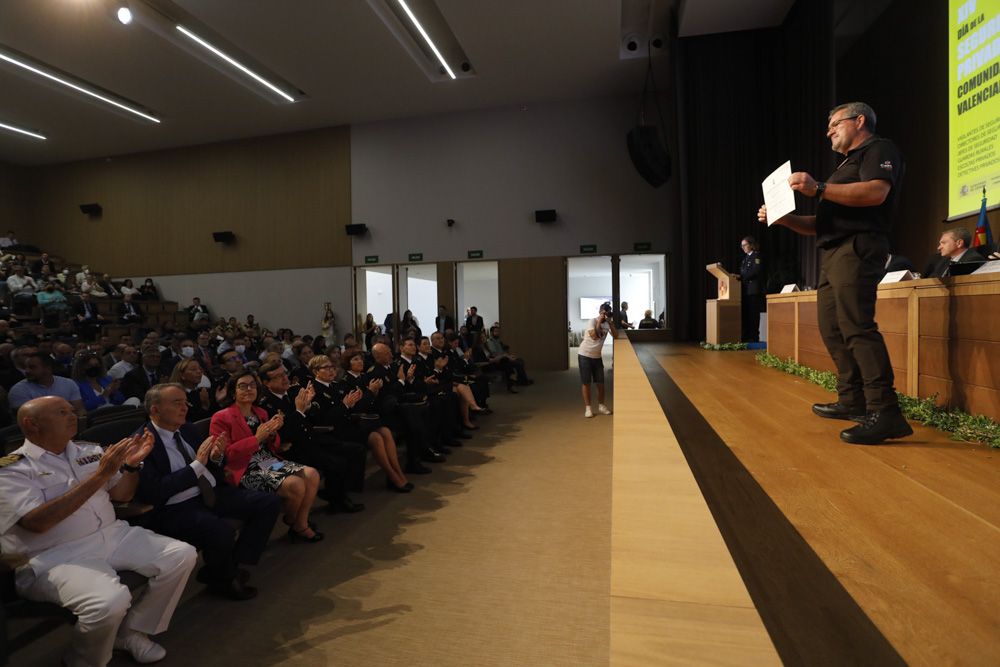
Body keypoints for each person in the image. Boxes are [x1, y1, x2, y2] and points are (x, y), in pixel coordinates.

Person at [757, 101, 912, 445]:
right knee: (832, 328)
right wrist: (784, 219)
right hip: (833, 251)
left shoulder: (878, 149)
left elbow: (876, 192)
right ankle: (852, 399)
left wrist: (820, 189)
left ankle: (885, 411)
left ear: (859, 121)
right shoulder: (844, 166)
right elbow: (819, 224)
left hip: (858, 247)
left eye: (834, 124)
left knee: (857, 327)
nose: (828, 131)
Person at [0, 397, 197, 666]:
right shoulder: (11, 469)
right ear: (31, 424)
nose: (73, 416)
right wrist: (100, 476)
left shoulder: (87, 451)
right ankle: (84, 661)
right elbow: (37, 523)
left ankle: (131, 632)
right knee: (109, 602)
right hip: (54, 556)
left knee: (181, 555)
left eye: (72, 410)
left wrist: (130, 466)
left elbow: (122, 494)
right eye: (61, 413)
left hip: (111, 534)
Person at [138, 384, 281, 600]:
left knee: (267, 502)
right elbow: (156, 491)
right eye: (176, 402)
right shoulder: (142, 442)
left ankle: (229, 566)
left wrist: (215, 456)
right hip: (175, 506)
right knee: (219, 530)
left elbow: (212, 467)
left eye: (185, 402)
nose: (184, 407)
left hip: (210, 491)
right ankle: (224, 580)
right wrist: (197, 465)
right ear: (155, 410)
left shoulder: (187, 429)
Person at [210, 371, 324, 542]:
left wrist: (272, 434)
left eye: (252, 385)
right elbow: (226, 454)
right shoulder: (222, 417)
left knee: (312, 474)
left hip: (269, 462)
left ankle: (299, 523)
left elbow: (274, 445)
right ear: (233, 392)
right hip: (246, 468)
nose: (249, 389)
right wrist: (256, 438)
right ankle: (294, 522)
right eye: (243, 386)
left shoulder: (260, 412)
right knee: (296, 485)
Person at [9, 352, 86, 417]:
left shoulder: (68, 383)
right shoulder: (18, 390)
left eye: (32, 367)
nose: (27, 371)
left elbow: (79, 410)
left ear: (47, 368)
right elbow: (30, 420)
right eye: (25, 367)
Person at [578, 302, 615, 418]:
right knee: (586, 382)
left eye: (607, 313)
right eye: (603, 312)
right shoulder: (592, 321)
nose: (604, 315)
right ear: (599, 312)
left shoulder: (608, 323)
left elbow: (616, 335)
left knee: (600, 383)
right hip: (584, 355)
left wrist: (610, 322)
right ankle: (588, 408)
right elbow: (594, 336)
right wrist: (599, 321)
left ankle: (601, 406)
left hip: (597, 357)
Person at [740, 236, 763, 342]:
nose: (743, 247)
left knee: (753, 314)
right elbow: (743, 273)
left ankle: (754, 337)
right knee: (747, 314)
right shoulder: (745, 259)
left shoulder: (756, 256)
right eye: (742, 245)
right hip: (746, 290)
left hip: (753, 290)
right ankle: (747, 335)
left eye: (745, 245)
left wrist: (742, 277)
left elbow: (755, 271)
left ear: (751, 245)